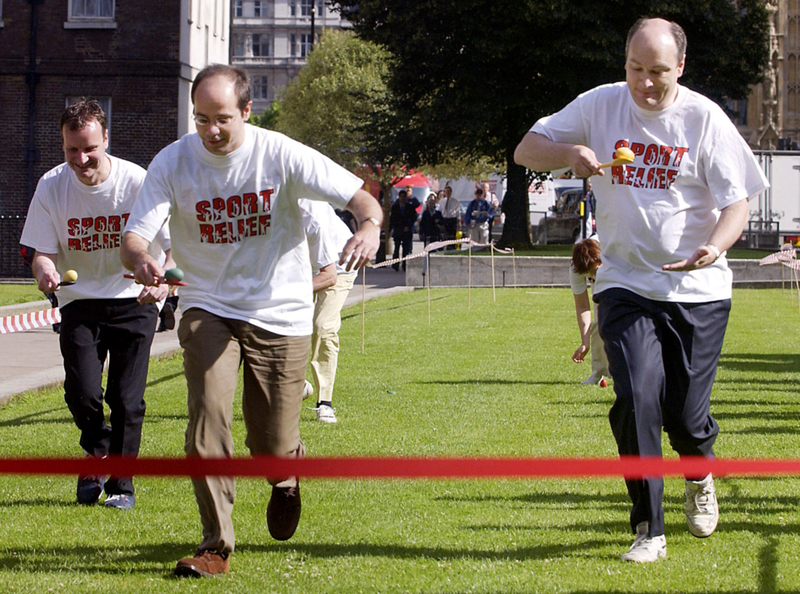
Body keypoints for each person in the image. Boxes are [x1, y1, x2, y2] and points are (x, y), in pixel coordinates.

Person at [514, 17, 768, 563]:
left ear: (680, 67)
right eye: (635, 69)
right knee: (635, 397)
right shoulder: (600, 104)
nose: (645, 83)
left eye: (658, 71)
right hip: (625, 282)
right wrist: (568, 155)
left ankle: (698, 471)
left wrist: (717, 247)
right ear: (624, 62)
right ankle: (648, 528)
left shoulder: (704, 119)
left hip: (697, 288)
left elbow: (738, 202)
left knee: (685, 416)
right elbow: (525, 150)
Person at [120, 64, 381, 578]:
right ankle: (215, 546)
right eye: (201, 119)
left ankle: (285, 471)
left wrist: (369, 227)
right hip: (206, 303)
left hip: (279, 309)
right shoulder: (172, 162)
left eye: (221, 119)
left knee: (270, 439)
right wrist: (141, 259)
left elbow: (362, 199)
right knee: (207, 415)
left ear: (246, 111)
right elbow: (135, 236)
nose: (211, 131)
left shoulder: (280, 153)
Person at [19, 99, 172, 511]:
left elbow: (176, 248)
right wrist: (44, 272)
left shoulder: (138, 182)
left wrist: (165, 284)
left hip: (133, 298)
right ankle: (96, 452)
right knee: (82, 392)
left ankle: (121, 485)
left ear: (106, 138)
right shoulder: (52, 185)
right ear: (63, 145)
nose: (81, 159)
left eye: (89, 148)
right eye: (72, 150)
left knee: (127, 398)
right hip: (80, 299)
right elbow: (41, 252)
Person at [300, 200, 358, 424]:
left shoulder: (311, 214)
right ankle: (297, 386)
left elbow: (329, 275)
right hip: (305, 269)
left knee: (322, 327)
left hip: (339, 267)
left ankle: (325, 403)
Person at [569, 237, 609, 385]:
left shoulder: (611, 251)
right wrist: (585, 342)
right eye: (588, 274)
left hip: (623, 281)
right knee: (598, 323)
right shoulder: (575, 266)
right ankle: (598, 372)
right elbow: (582, 306)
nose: (592, 276)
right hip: (600, 289)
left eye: (595, 271)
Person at [389, 189, 417, 270]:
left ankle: (405, 265)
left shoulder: (410, 207)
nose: (402, 198)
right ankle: (395, 265)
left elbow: (413, 217)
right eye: (400, 197)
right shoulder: (395, 207)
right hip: (398, 230)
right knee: (396, 248)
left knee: (406, 249)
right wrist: (391, 229)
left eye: (403, 197)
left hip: (407, 231)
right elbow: (392, 219)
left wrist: (408, 226)